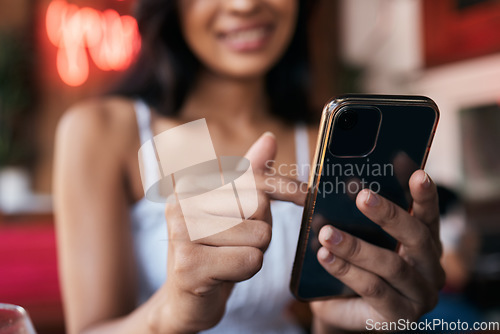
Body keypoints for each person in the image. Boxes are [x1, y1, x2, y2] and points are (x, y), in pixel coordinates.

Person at [53, 0, 445, 333]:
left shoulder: (324, 140)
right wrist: (171, 311)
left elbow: (323, 312)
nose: (245, 5)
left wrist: (364, 320)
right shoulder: (105, 130)